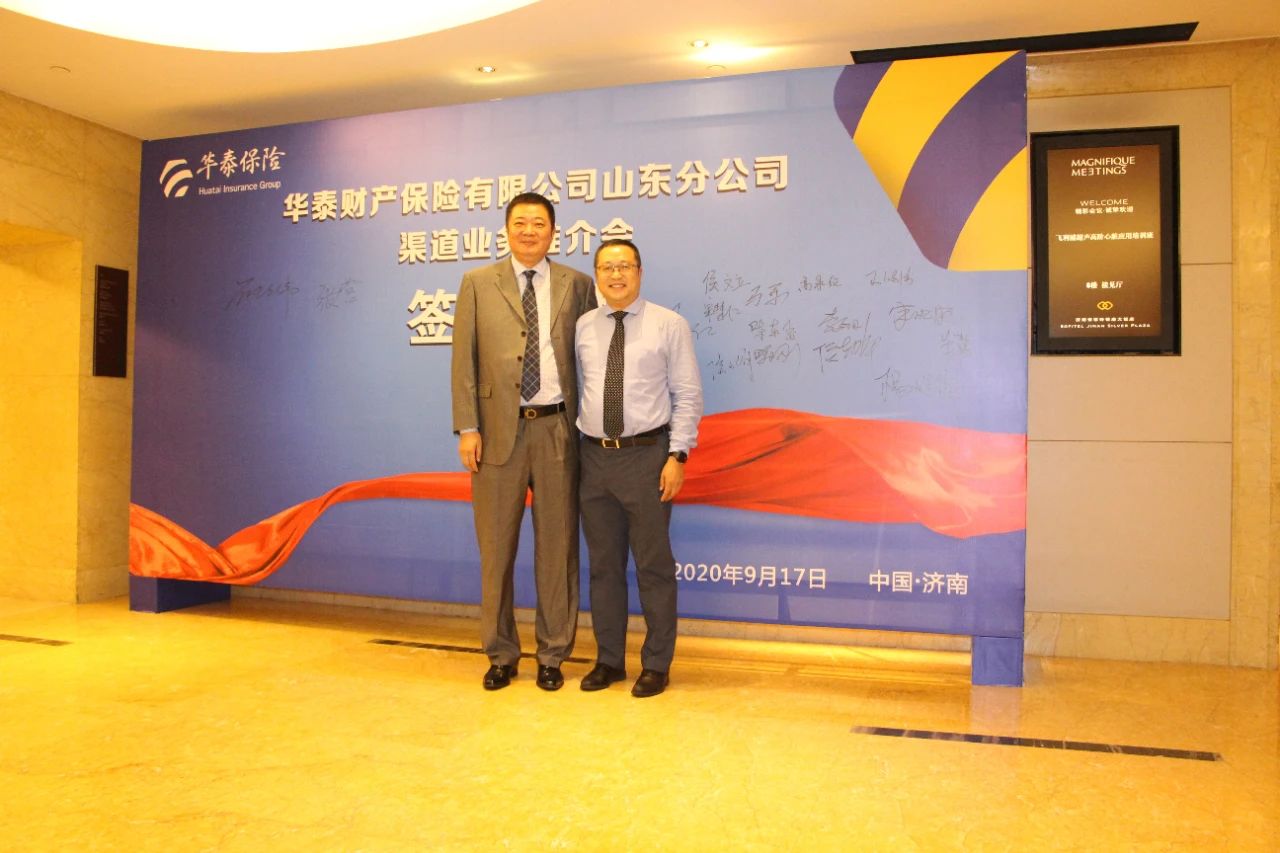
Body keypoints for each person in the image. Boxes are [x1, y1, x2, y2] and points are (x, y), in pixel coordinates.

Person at [451, 192, 596, 691]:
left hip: (558, 430)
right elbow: (464, 359)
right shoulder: (477, 283)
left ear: (553, 232)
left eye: (538, 223)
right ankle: (501, 653)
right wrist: (468, 427)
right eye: (520, 222)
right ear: (507, 229)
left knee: (558, 548)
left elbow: (591, 360)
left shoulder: (578, 284)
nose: (529, 231)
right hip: (496, 432)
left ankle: (553, 654)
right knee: (496, 550)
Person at [574, 239, 703, 697]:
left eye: (624, 266)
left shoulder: (669, 324)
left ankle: (656, 664)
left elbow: (688, 394)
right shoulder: (583, 326)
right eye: (607, 267)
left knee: (653, 566)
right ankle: (609, 660)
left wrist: (678, 455)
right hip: (593, 458)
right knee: (603, 567)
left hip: (647, 456)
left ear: (640, 272)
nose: (616, 275)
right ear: (596, 275)